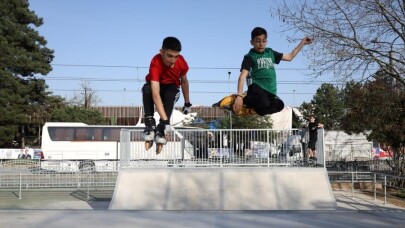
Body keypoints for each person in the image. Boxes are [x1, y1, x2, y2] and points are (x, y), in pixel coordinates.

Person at [233, 27, 312, 116]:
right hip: (256, 88)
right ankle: (244, 100)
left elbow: (289, 57)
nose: (261, 44)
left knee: (279, 105)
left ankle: (256, 110)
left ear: (266, 41)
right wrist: (239, 96)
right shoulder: (250, 56)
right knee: (264, 103)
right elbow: (242, 76)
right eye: (258, 41)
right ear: (252, 42)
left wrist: (302, 43)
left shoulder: (270, 53)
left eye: (263, 41)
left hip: (269, 91)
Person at [142, 36, 192, 145]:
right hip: (157, 87)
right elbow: (155, 94)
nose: (173, 61)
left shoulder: (181, 62)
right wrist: (166, 120)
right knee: (146, 88)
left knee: (170, 93)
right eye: (169, 56)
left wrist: (187, 103)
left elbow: (184, 82)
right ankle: (150, 123)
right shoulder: (156, 61)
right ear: (161, 52)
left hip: (172, 88)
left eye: (176, 56)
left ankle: (161, 128)